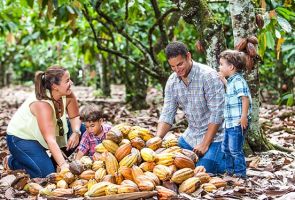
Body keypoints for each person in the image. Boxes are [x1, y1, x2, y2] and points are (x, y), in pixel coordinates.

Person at [156, 41, 226, 174]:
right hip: (191, 136)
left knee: (201, 170)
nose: (177, 70)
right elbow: (167, 113)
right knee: (167, 161)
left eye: (180, 64)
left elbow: (217, 114)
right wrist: (156, 140)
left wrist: (205, 144)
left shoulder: (208, 76)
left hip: (217, 136)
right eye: (173, 66)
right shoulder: (172, 81)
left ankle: (228, 159)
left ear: (188, 56)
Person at [4, 66, 85, 178]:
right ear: (54, 86)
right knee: (45, 175)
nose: (71, 82)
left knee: (82, 129)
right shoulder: (42, 104)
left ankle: (47, 162)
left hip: (48, 133)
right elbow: (50, 139)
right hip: (22, 138)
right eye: (67, 81)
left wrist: (76, 132)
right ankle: (12, 161)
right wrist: (64, 165)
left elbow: (75, 116)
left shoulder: (67, 94)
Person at [219, 50, 252, 178]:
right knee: (226, 149)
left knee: (235, 150)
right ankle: (229, 171)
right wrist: (223, 80)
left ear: (231, 67)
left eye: (222, 64)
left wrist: (243, 117)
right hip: (229, 122)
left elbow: (245, 98)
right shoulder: (232, 81)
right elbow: (232, 91)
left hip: (237, 122)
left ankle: (240, 174)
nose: (219, 67)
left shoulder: (239, 81)